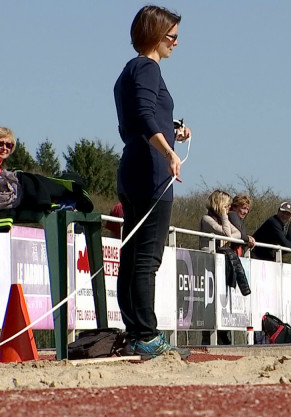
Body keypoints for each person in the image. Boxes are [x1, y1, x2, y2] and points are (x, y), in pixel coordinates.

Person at [113, 5, 191, 359]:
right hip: (150, 173)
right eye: (172, 36)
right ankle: (145, 333)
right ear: (156, 36)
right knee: (147, 259)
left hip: (134, 169)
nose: (176, 43)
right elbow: (144, 117)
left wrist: (174, 131)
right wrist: (168, 153)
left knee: (133, 256)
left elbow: (142, 118)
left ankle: (135, 330)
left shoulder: (129, 72)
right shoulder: (146, 68)